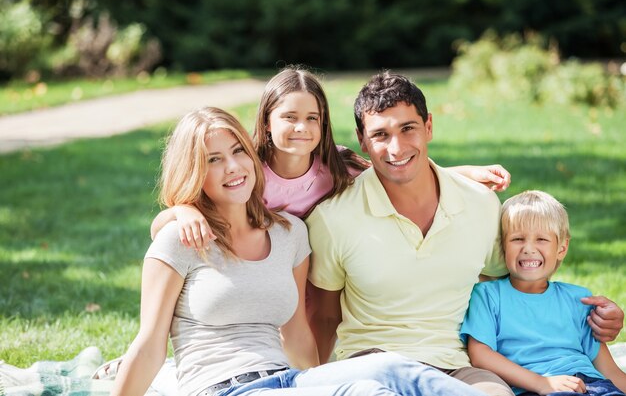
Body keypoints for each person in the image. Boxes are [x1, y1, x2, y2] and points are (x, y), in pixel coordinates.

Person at [110, 106, 494, 396]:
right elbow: (149, 345)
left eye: (238, 152)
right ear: (194, 171)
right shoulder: (180, 238)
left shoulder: (289, 234)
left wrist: (323, 382)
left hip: (287, 381)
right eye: (213, 160)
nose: (233, 167)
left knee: (388, 372)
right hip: (223, 388)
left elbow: (296, 335)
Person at [305, 71, 625, 396]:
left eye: (408, 129)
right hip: (373, 365)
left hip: (455, 365)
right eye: (380, 135)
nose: (396, 147)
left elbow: (516, 287)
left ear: (428, 126)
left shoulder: (479, 203)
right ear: (362, 139)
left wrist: (591, 317)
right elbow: (324, 316)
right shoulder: (334, 219)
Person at [150, 66, 511, 248]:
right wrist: (184, 210)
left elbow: (396, 169)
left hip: (314, 277)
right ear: (265, 120)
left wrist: (463, 174)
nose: (301, 128)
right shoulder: (246, 169)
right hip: (257, 274)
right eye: (289, 118)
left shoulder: (336, 167)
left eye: (312, 118)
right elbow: (160, 227)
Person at [460, 190, 626, 396]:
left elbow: (609, 371)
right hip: (534, 387)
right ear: (503, 246)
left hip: (594, 385)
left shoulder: (578, 299)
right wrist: (542, 383)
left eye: (541, 239)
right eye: (518, 239)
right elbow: (480, 355)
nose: (529, 248)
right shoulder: (488, 295)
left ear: (562, 248)